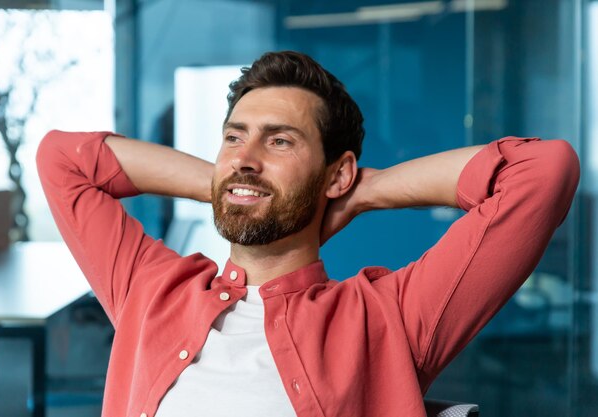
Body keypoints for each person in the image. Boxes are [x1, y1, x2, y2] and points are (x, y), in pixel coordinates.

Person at [36, 51, 580, 417]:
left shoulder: (386, 318)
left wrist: (367, 191)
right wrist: (234, 182)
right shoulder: (151, 291)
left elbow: (543, 173)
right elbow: (62, 160)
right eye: (234, 138)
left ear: (337, 173)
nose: (245, 157)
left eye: (279, 143)